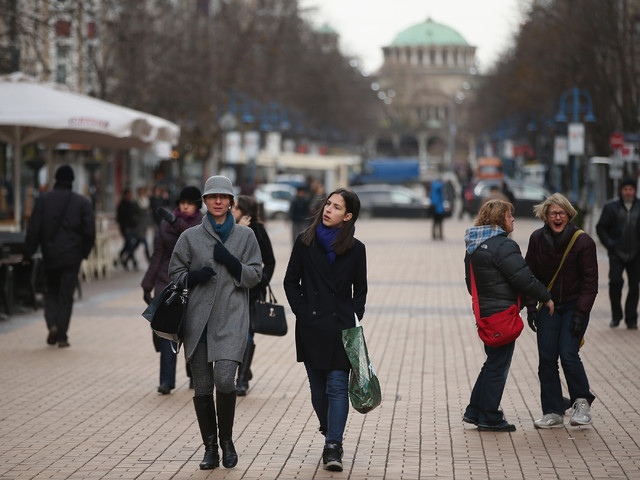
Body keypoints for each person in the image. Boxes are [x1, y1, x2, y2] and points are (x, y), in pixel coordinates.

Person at [169, 176, 262, 470]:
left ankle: (227, 441)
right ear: (205, 203)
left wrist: (232, 263)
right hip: (198, 322)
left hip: (232, 319)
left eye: (224, 197)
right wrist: (193, 277)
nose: (218, 201)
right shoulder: (190, 237)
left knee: (225, 379)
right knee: (202, 387)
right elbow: (174, 273)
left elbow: (256, 274)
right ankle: (210, 447)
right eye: (212, 197)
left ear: (232, 201)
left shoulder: (246, 237)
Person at [283, 188, 367, 472]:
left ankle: (334, 444)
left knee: (336, 388)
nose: (328, 209)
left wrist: (354, 315)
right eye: (328, 204)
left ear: (348, 216)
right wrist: (303, 312)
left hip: (341, 328)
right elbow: (290, 281)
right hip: (312, 327)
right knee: (318, 392)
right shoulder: (305, 242)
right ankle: (328, 427)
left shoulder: (357, 249)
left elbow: (361, 290)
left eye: (336, 206)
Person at [463, 199, 553, 432]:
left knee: (492, 362)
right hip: (503, 315)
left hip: (486, 314)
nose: (513, 219)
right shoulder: (503, 246)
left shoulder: (474, 245)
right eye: (509, 215)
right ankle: (489, 416)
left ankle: (475, 410)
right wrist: (546, 296)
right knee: (498, 365)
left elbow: (469, 284)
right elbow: (524, 279)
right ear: (499, 219)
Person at [525, 193, 598, 429]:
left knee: (568, 353)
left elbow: (590, 283)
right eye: (553, 213)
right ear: (545, 216)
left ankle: (582, 403)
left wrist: (580, 314)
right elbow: (529, 276)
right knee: (547, 359)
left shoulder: (583, 241)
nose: (557, 217)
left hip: (575, 306)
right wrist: (531, 308)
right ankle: (553, 410)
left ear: (569, 215)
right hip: (549, 306)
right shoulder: (537, 239)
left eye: (562, 213)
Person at [23, 165, 95, 348]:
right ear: (72, 181)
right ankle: (62, 335)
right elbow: (90, 233)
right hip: (72, 257)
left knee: (51, 292)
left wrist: (28, 253)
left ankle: (52, 324)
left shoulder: (43, 200)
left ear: (56, 179)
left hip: (50, 255)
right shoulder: (82, 203)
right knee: (66, 295)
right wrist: (83, 253)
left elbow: (33, 230)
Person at [141, 186, 203, 395]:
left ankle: (194, 375)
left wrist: (175, 222)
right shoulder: (166, 223)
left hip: (192, 282)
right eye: (182, 202)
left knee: (191, 331)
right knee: (167, 332)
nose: (185, 206)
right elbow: (157, 254)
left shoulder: (202, 223)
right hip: (166, 282)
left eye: (190, 202)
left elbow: (192, 238)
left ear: (197, 205)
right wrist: (147, 284)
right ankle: (166, 381)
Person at [231, 195, 276, 396]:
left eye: (236, 208)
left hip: (252, 292)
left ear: (246, 212)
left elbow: (270, 261)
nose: (232, 210)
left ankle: (241, 381)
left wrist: (261, 279)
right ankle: (245, 369)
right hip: (231, 290)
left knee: (247, 332)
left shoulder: (259, 231)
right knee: (234, 334)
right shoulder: (229, 230)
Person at [596, 177, 640, 329]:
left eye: (631, 189)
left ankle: (631, 318)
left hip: (636, 253)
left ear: (635, 190)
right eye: (625, 189)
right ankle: (616, 316)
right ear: (621, 190)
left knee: (634, 287)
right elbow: (600, 227)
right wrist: (609, 244)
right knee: (615, 282)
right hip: (616, 253)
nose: (628, 192)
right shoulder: (611, 207)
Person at [116, 188, 139, 270]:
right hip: (126, 229)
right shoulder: (122, 205)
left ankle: (119, 258)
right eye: (129, 194)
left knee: (128, 246)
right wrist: (124, 228)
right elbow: (119, 218)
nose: (130, 196)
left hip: (133, 228)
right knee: (130, 245)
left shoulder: (132, 204)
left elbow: (136, 215)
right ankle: (134, 262)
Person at [134, 186, 152, 262]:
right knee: (145, 243)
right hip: (138, 226)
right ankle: (149, 260)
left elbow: (148, 214)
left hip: (144, 226)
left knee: (137, 244)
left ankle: (127, 256)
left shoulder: (146, 201)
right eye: (140, 191)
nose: (141, 193)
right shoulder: (136, 202)